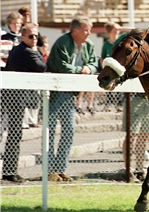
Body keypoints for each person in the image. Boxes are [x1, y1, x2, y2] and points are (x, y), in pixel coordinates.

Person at [46, 16, 98, 182]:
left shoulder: (88, 44)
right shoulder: (62, 42)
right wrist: (80, 70)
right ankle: (50, 170)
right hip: (54, 92)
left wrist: (88, 69)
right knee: (50, 130)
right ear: (75, 31)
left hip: (70, 94)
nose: (89, 33)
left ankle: (61, 169)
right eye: (86, 30)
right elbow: (61, 66)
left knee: (69, 130)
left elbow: (94, 63)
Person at [1, 24, 46, 182]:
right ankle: (9, 171)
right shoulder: (27, 52)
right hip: (15, 98)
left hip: (11, 96)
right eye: (31, 36)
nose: (35, 39)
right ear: (23, 37)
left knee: (13, 134)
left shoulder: (18, 49)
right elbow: (42, 66)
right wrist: (38, 51)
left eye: (36, 36)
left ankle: (9, 170)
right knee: (14, 134)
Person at [100, 21, 132, 112]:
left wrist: (121, 28)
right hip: (109, 69)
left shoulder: (121, 39)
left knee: (120, 84)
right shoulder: (106, 44)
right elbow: (102, 57)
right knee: (108, 84)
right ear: (110, 31)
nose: (117, 31)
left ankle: (120, 104)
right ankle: (109, 105)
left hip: (119, 68)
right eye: (115, 30)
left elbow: (133, 30)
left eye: (118, 30)